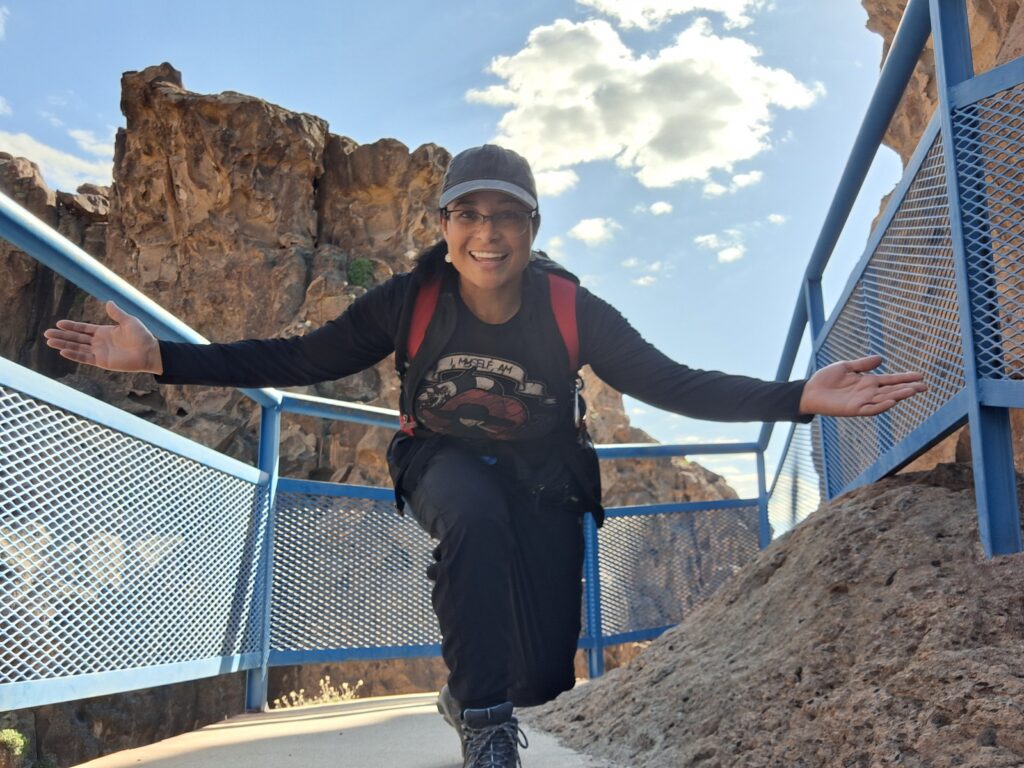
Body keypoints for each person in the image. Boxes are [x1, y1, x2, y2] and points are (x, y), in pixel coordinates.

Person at [44, 144, 926, 768]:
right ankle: (485, 724)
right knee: (470, 517)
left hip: (547, 476)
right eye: (469, 214)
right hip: (442, 459)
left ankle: (482, 697)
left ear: (532, 227)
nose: (488, 233)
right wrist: (162, 358)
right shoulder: (409, 300)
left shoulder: (572, 309)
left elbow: (673, 380)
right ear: (445, 224)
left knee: (543, 675)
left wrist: (800, 396)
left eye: (507, 215)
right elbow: (299, 356)